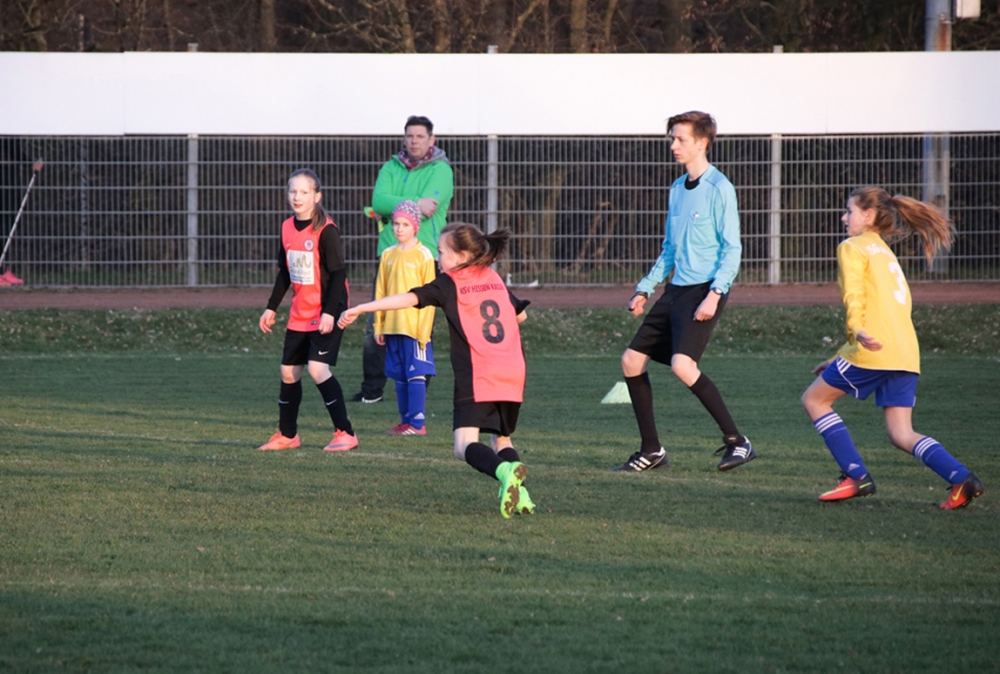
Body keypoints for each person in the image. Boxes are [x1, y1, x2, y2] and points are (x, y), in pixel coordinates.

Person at [802, 187, 984, 509]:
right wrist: (838, 356)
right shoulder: (885, 253)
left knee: (815, 400)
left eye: (849, 211)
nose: (844, 218)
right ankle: (962, 478)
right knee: (901, 433)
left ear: (868, 215)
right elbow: (887, 311)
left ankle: (855, 475)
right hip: (905, 354)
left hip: (873, 350)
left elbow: (854, 298)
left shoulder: (852, 247)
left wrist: (856, 332)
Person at [339, 223, 534, 518]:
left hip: (479, 372)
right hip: (513, 369)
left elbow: (408, 298)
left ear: (461, 256)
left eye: (441, 252)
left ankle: (504, 471)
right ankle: (522, 496)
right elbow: (521, 316)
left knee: (463, 446)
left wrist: (362, 308)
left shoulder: (450, 282)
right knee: (501, 439)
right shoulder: (493, 277)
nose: (437, 258)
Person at [615, 110, 755, 473]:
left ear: (702, 143)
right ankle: (652, 451)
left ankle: (738, 442)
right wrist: (645, 289)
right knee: (631, 361)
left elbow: (733, 248)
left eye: (681, 139)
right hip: (675, 290)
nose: (674, 145)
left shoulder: (720, 188)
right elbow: (670, 249)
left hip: (704, 290)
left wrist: (715, 293)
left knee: (682, 365)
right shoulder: (677, 189)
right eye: (672, 138)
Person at [352, 115, 454, 404]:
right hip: (390, 255)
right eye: (410, 136)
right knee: (378, 320)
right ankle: (372, 391)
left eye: (420, 136)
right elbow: (378, 201)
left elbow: (428, 208)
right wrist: (414, 201)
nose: (414, 141)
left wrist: (394, 201)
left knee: (420, 321)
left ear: (432, 140)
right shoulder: (390, 167)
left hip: (425, 257)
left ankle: (418, 383)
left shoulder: (441, 170)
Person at [257, 169, 358, 453]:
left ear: (317, 196)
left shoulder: (326, 230)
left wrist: (330, 312)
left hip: (329, 309)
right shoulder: (287, 227)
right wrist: (271, 307)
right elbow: (285, 272)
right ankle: (288, 435)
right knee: (288, 372)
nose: (297, 197)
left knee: (316, 368)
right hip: (301, 311)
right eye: (293, 191)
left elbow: (338, 274)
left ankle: (346, 433)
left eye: (304, 192)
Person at [375, 200, 438, 435]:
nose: (399, 229)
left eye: (405, 224)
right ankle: (405, 422)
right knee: (399, 376)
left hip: (414, 328)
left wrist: (424, 331)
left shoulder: (424, 255)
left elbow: (430, 296)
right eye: (396, 224)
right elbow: (380, 292)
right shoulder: (387, 255)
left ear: (416, 227)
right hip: (392, 327)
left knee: (415, 373)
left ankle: (418, 424)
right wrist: (379, 325)